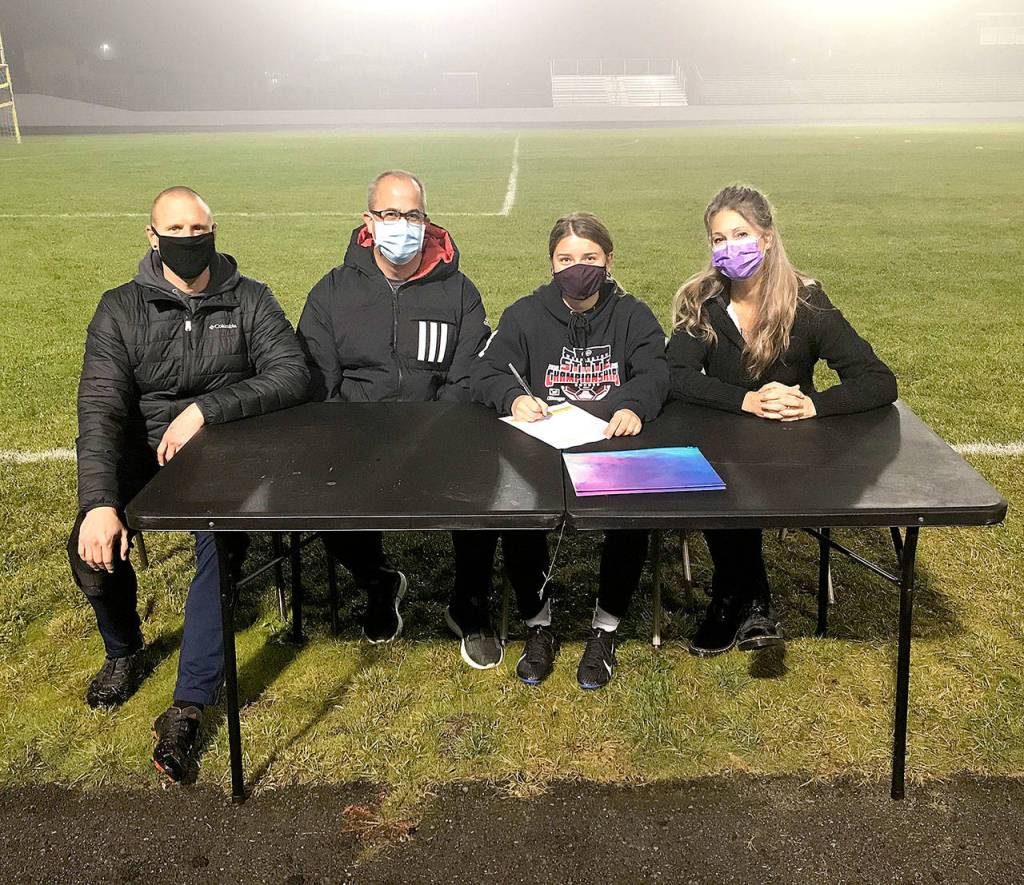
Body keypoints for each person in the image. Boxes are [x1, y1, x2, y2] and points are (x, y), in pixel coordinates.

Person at [69, 186, 309, 782]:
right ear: (152, 237)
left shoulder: (250, 298)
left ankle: (189, 704)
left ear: (215, 231)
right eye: (174, 230)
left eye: (197, 228)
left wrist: (207, 409)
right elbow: (100, 410)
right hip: (142, 453)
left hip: (219, 451)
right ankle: (123, 651)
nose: (187, 240)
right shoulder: (119, 308)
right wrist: (100, 503)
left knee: (218, 548)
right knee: (90, 543)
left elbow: (292, 373)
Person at [667, 184, 898, 657]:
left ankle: (733, 601)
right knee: (722, 479)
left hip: (793, 447)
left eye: (740, 234)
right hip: (726, 441)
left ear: (767, 238)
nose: (729, 247)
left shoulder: (807, 303)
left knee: (742, 483)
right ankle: (750, 602)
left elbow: (877, 380)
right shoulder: (702, 300)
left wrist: (815, 405)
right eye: (718, 239)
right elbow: (675, 376)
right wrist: (746, 400)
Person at [297, 171, 502, 669]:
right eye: (390, 214)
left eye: (412, 215)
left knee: (483, 483)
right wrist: (351, 438)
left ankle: (468, 603)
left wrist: (434, 432)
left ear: (426, 220)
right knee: (316, 490)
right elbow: (321, 382)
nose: (402, 225)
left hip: (439, 430)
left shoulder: (458, 292)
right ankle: (378, 580)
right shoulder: (331, 292)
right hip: (357, 434)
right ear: (369, 221)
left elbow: (467, 374)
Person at [472, 212, 669, 689]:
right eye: (566, 258)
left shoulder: (632, 315)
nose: (577, 267)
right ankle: (538, 624)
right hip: (544, 444)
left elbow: (657, 372)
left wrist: (635, 406)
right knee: (523, 512)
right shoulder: (524, 314)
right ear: (551, 264)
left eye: (589, 257)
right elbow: (486, 371)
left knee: (630, 516)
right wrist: (514, 397)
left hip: (610, 443)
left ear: (608, 260)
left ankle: (605, 628)